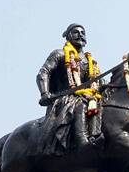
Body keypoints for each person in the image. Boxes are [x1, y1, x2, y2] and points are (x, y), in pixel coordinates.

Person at [36, 23, 103, 156]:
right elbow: (43, 73)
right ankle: (82, 141)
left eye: (82, 33)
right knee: (80, 105)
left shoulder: (90, 60)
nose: (80, 35)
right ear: (68, 36)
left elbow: (98, 81)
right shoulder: (60, 54)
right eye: (76, 32)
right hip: (65, 98)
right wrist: (44, 93)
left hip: (88, 96)